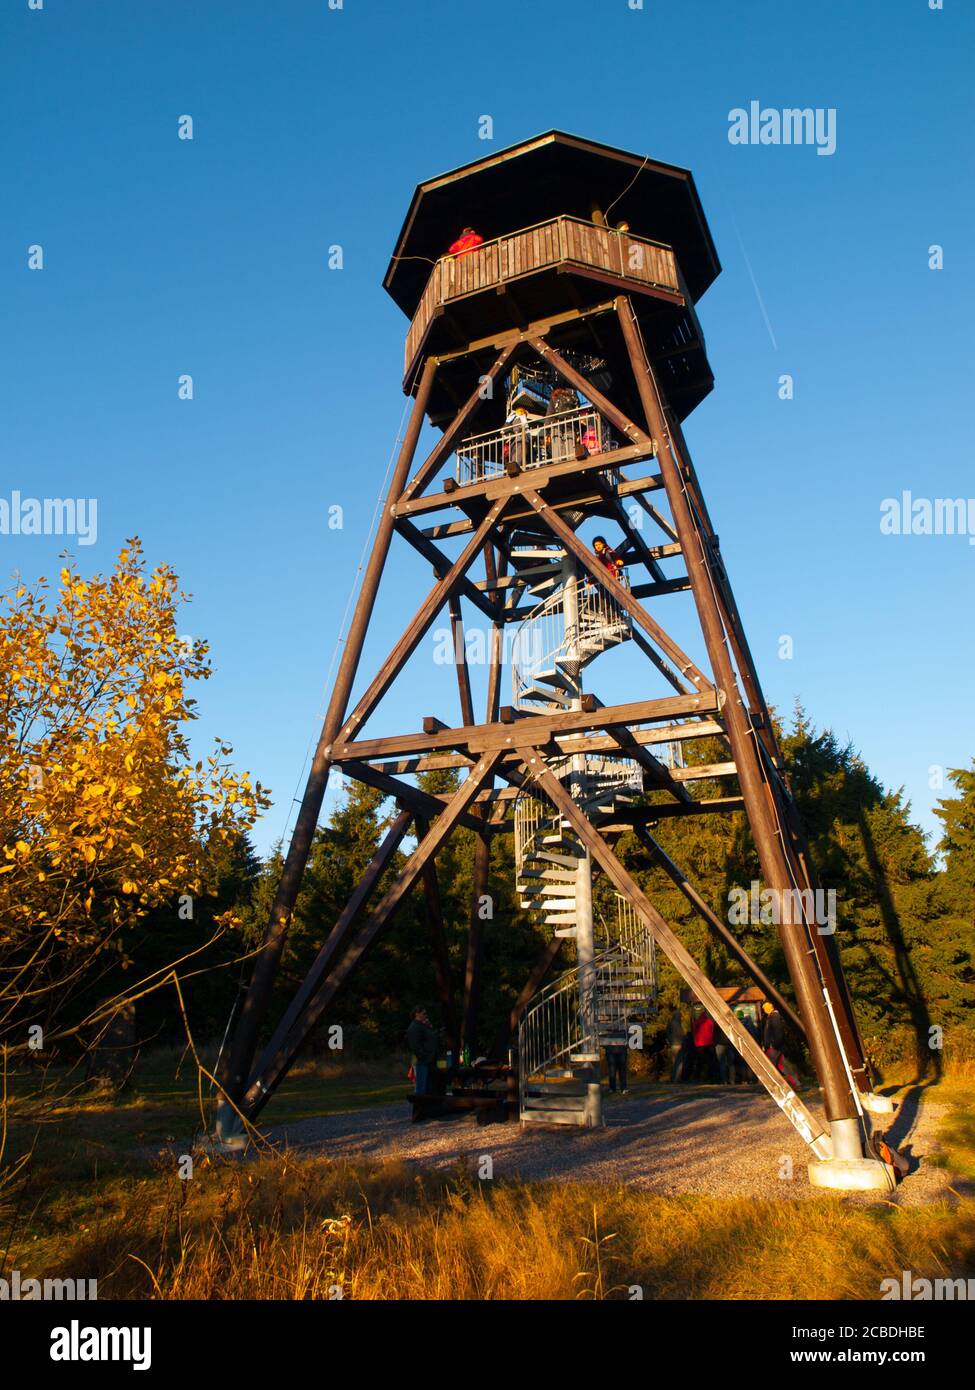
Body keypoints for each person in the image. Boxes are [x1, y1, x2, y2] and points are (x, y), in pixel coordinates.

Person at [761, 1001, 799, 1088]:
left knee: (770, 1067)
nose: (764, 1009)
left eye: (765, 1007)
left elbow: (777, 1032)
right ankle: (796, 1083)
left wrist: (773, 1045)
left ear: (770, 1007)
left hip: (773, 1047)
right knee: (782, 1065)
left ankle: (775, 1086)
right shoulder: (770, 1017)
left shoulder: (774, 1017)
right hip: (774, 1046)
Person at [405, 1005, 438, 1097]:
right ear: (417, 1014)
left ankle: (426, 1109)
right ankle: (419, 1109)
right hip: (422, 1061)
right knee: (421, 1089)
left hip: (427, 1060)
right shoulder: (415, 1027)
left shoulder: (422, 1026)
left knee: (427, 1088)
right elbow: (415, 1046)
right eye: (424, 1013)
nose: (425, 1015)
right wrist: (424, 1056)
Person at [691, 1006, 716, 1082]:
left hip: (699, 1044)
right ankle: (709, 1077)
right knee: (709, 1061)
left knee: (700, 1062)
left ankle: (699, 1077)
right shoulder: (710, 1022)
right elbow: (713, 1031)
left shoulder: (697, 1022)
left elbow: (694, 1032)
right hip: (709, 1044)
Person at [665, 1006, 686, 1082]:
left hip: (672, 1045)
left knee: (674, 1062)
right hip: (679, 1044)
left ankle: (673, 1077)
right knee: (679, 1062)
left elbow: (667, 1033)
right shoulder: (678, 1025)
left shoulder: (670, 1023)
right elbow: (681, 1035)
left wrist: (669, 1041)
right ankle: (677, 1078)